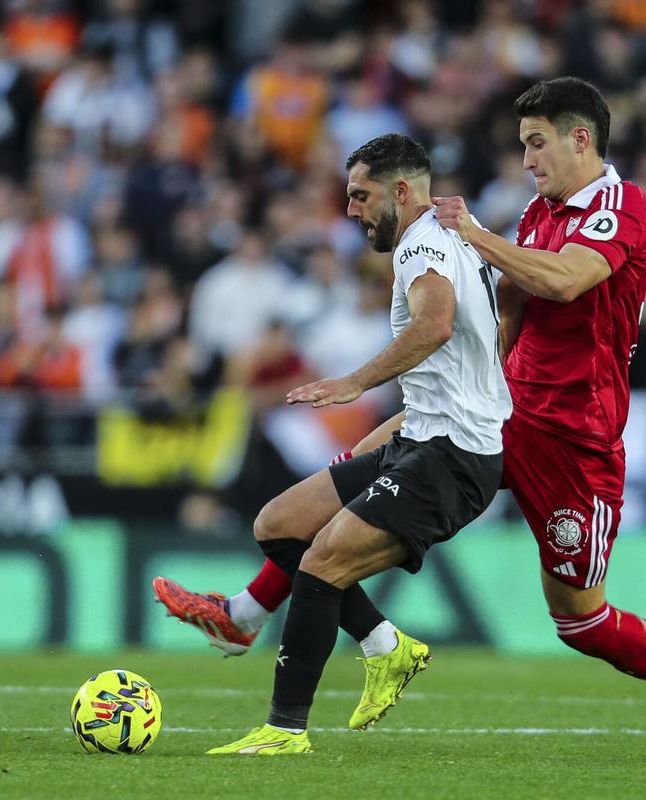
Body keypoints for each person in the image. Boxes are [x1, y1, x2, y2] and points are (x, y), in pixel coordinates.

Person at [160, 79, 646, 756]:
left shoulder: (620, 207)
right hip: (506, 408)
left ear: (581, 139)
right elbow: (515, 311)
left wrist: (475, 234)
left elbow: (566, 280)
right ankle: (246, 615)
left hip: (576, 439)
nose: (527, 160)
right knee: (340, 491)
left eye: (537, 143)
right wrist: (456, 386)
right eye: (524, 145)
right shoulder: (540, 211)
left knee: (579, 621)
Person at [195, 133, 511, 755]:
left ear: (401, 191)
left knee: (320, 565)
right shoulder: (449, 240)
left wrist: (354, 382)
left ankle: (285, 730)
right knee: (280, 524)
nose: (351, 211)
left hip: (454, 455)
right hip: (420, 438)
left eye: (360, 196)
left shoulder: (423, 243)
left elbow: (435, 324)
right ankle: (385, 646)